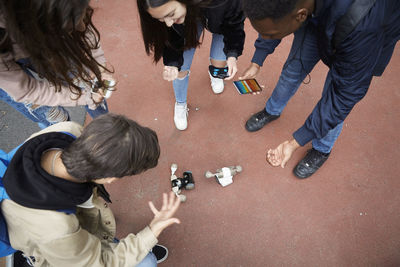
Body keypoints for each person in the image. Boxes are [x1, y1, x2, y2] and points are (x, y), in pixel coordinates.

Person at [240, 0, 400, 178]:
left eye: (273, 35)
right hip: (316, 20)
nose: (269, 38)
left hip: (355, 35)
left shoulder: (363, 29)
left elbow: (342, 98)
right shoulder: (294, 9)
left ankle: (322, 148)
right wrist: (257, 60)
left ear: (300, 14)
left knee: (333, 97)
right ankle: (272, 110)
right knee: (293, 69)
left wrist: (295, 142)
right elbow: (271, 13)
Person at [1, 113, 181, 266]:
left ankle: (124, 246)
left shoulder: (68, 131)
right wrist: (153, 230)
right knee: (147, 262)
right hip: (59, 251)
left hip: (62, 233)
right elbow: (103, 262)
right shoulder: (58, 229)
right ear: (109, 178)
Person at [0, 0, 114, 129]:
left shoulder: (64, 10)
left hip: (38, 34)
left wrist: (98, 65)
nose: (82, 26)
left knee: (88, 83)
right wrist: (84, 98)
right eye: (69, 28)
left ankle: (105, 127)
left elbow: (82, 26)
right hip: (6, 57)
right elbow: (28, 90)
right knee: (56, 119)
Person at [137, 0, 245, 130]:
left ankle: (215, 73)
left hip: (221, 17)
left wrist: (232, 53)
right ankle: (180, 103)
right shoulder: (168, 15)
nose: (168, 23)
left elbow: (234, 23)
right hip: (190, 18)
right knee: (180, 70)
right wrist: (172, 63)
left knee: (220, 62)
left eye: (171, 14)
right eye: (161, 19)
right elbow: (171, 37)